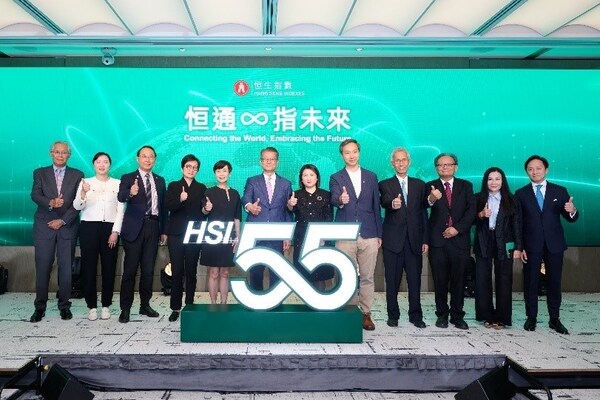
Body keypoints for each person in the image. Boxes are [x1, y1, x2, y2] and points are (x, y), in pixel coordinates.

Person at [515, 155, 578, 335]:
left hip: (554, 244)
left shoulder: (560, 191)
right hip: (531, 246)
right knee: (530, 283)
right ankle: (531, 317)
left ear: (546, 170)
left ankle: (554, 318)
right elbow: (517, 224)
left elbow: (571, 218)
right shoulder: (521, 194)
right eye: (530, 169)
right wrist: (520, 247)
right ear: (527, 172)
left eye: (538, 168)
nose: (534, 172)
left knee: (554, 282)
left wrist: (572, 211)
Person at [329, 139, 382, 331]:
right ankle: (348, 311)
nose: (351, 156)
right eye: (347, 153)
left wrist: (379, 234)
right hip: (344, 233)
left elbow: (376, 206)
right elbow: (334, 199)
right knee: (346, 275)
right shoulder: (336, 177)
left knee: (367, 276)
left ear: (359, 152)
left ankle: (366, 313)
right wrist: (340, 200)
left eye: (354, 152)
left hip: (369, 233)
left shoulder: (371, 176)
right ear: (342, 155)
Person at [30, 141, 83, 322]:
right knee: (43, 267)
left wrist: (62, 220)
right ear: (51, 153)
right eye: (57, 152)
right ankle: (40, 307)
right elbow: (35, 195)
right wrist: (51, 203)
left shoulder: (77, 175)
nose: (60, 155)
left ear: (69, 155)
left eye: (64, 153)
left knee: (66, 268)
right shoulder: (40, 173)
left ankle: (64, 306)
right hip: (44, 226)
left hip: (66, 226)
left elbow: (78, 203)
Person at [379, 147, 429, 329]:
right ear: (392, 164)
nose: (400, 163)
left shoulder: (419, 185)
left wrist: (425, 239)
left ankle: (416, 316)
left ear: (409, 162)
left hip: (415, 241)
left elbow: (423, 213)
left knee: (414, 280)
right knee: (392, 280)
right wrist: (393, 203)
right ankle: (393, 316)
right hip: (393, 241)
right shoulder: (384, 184)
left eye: (404, 160)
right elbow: (383, 201)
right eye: (397, 160)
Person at [117, 145, 167, 323]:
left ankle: (145, 305)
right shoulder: (128, 177)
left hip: (153, 227)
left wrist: (164, 231)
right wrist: (131, 192)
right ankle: (125, 309)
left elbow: (163, 207)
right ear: (137, 159)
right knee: (130, 271)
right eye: (144, 156)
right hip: (134, 229)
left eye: (151, 156)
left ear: (155, 159)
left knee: (148, 271)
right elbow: (121, 196)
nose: (148, 159)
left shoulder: (160, 180)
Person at [426, 153, 475, 330]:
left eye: (448, 164)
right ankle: (442, 315)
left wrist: (457, 229)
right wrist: (432, 198)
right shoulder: (430, 186)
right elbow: (423, 207)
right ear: (436, 168)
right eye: (440, 165)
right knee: (440, 281)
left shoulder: (466, 186)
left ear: (456, 167)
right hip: (438, 242)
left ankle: (457, 315)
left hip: (459, 241)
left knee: (459, 281)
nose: (444, 167)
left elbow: (471, 212)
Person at [73, 152, 125, 321]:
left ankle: (106, 305)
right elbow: (77, 206)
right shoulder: (85, 182)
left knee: (109, 267)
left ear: (110, 165)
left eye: (105, 162)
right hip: (89, 227)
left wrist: (115, 232)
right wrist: (82, 194)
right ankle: (91, 306)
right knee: (89, 267)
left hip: (110, 228)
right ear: (93, 164)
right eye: (98, 162)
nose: (102, 165)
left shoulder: (117, 183)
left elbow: (120, 210)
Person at [473, 167, 522, 329]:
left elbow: (517, 225)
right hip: (483, 241)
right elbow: (468, 220)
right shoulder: (478, 198)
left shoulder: (512, 199)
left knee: (504, 280)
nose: (494, 182)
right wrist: (480, 215)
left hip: (505, 243)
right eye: (490, 179)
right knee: (482, 280)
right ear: (485, 181)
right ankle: (486, 316)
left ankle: (502, 318)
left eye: (497, 179)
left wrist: (518, 247)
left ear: (503, 181)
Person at [242, 147, 292, 290]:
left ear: (277, 162)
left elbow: (288, 211)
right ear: (260, 161)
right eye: (265, 159)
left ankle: (274, 308)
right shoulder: (252, 181)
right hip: (256, 234)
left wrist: (287, 236)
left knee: (276, 272)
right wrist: (249, 206)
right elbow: (245, 198)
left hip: (277, 235)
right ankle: (256, 306)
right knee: (256, 271)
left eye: (272, 159)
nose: (268, 162)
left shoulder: (286, 183)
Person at [165, 154, 206, 322]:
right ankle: (175, 307)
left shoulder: (202, 188)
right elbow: (169, 207)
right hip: (176, 234)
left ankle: (189, 304)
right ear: (182, 168)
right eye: (188, 166)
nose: (191, 170)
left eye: (195, 167)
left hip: (194, 234)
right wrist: (180, 200)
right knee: (177, 271)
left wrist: (207, 210)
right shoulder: (174, 186)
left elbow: (203, 214)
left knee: (191, 270)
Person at [287, 164, 334, 290]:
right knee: (303, 275)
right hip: (301, 240)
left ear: (317, 178)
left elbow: (329, 218)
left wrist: (324, 237)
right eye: (305, 175)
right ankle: (306, 308)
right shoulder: (295, 195)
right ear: (301, 179)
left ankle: (320, 306)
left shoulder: (326, 195)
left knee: (319, 274)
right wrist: (290, 204)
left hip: (321, 242)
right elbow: (289, 211)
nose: (308, 178)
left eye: (311, 175)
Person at [201, 160, 241, 304]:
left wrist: (237, 236)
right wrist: (207, 208)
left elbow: (237, 217)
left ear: (229, 173)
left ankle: (224, 304)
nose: (221, 174)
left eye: (224, 171)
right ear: (215, 173)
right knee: (214, 272)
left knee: (225, 272)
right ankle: (213, 303)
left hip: (229, 237)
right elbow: (203, 212)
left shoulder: (235, 193)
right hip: (213, 236)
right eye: (218, 171)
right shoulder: (209, 191)